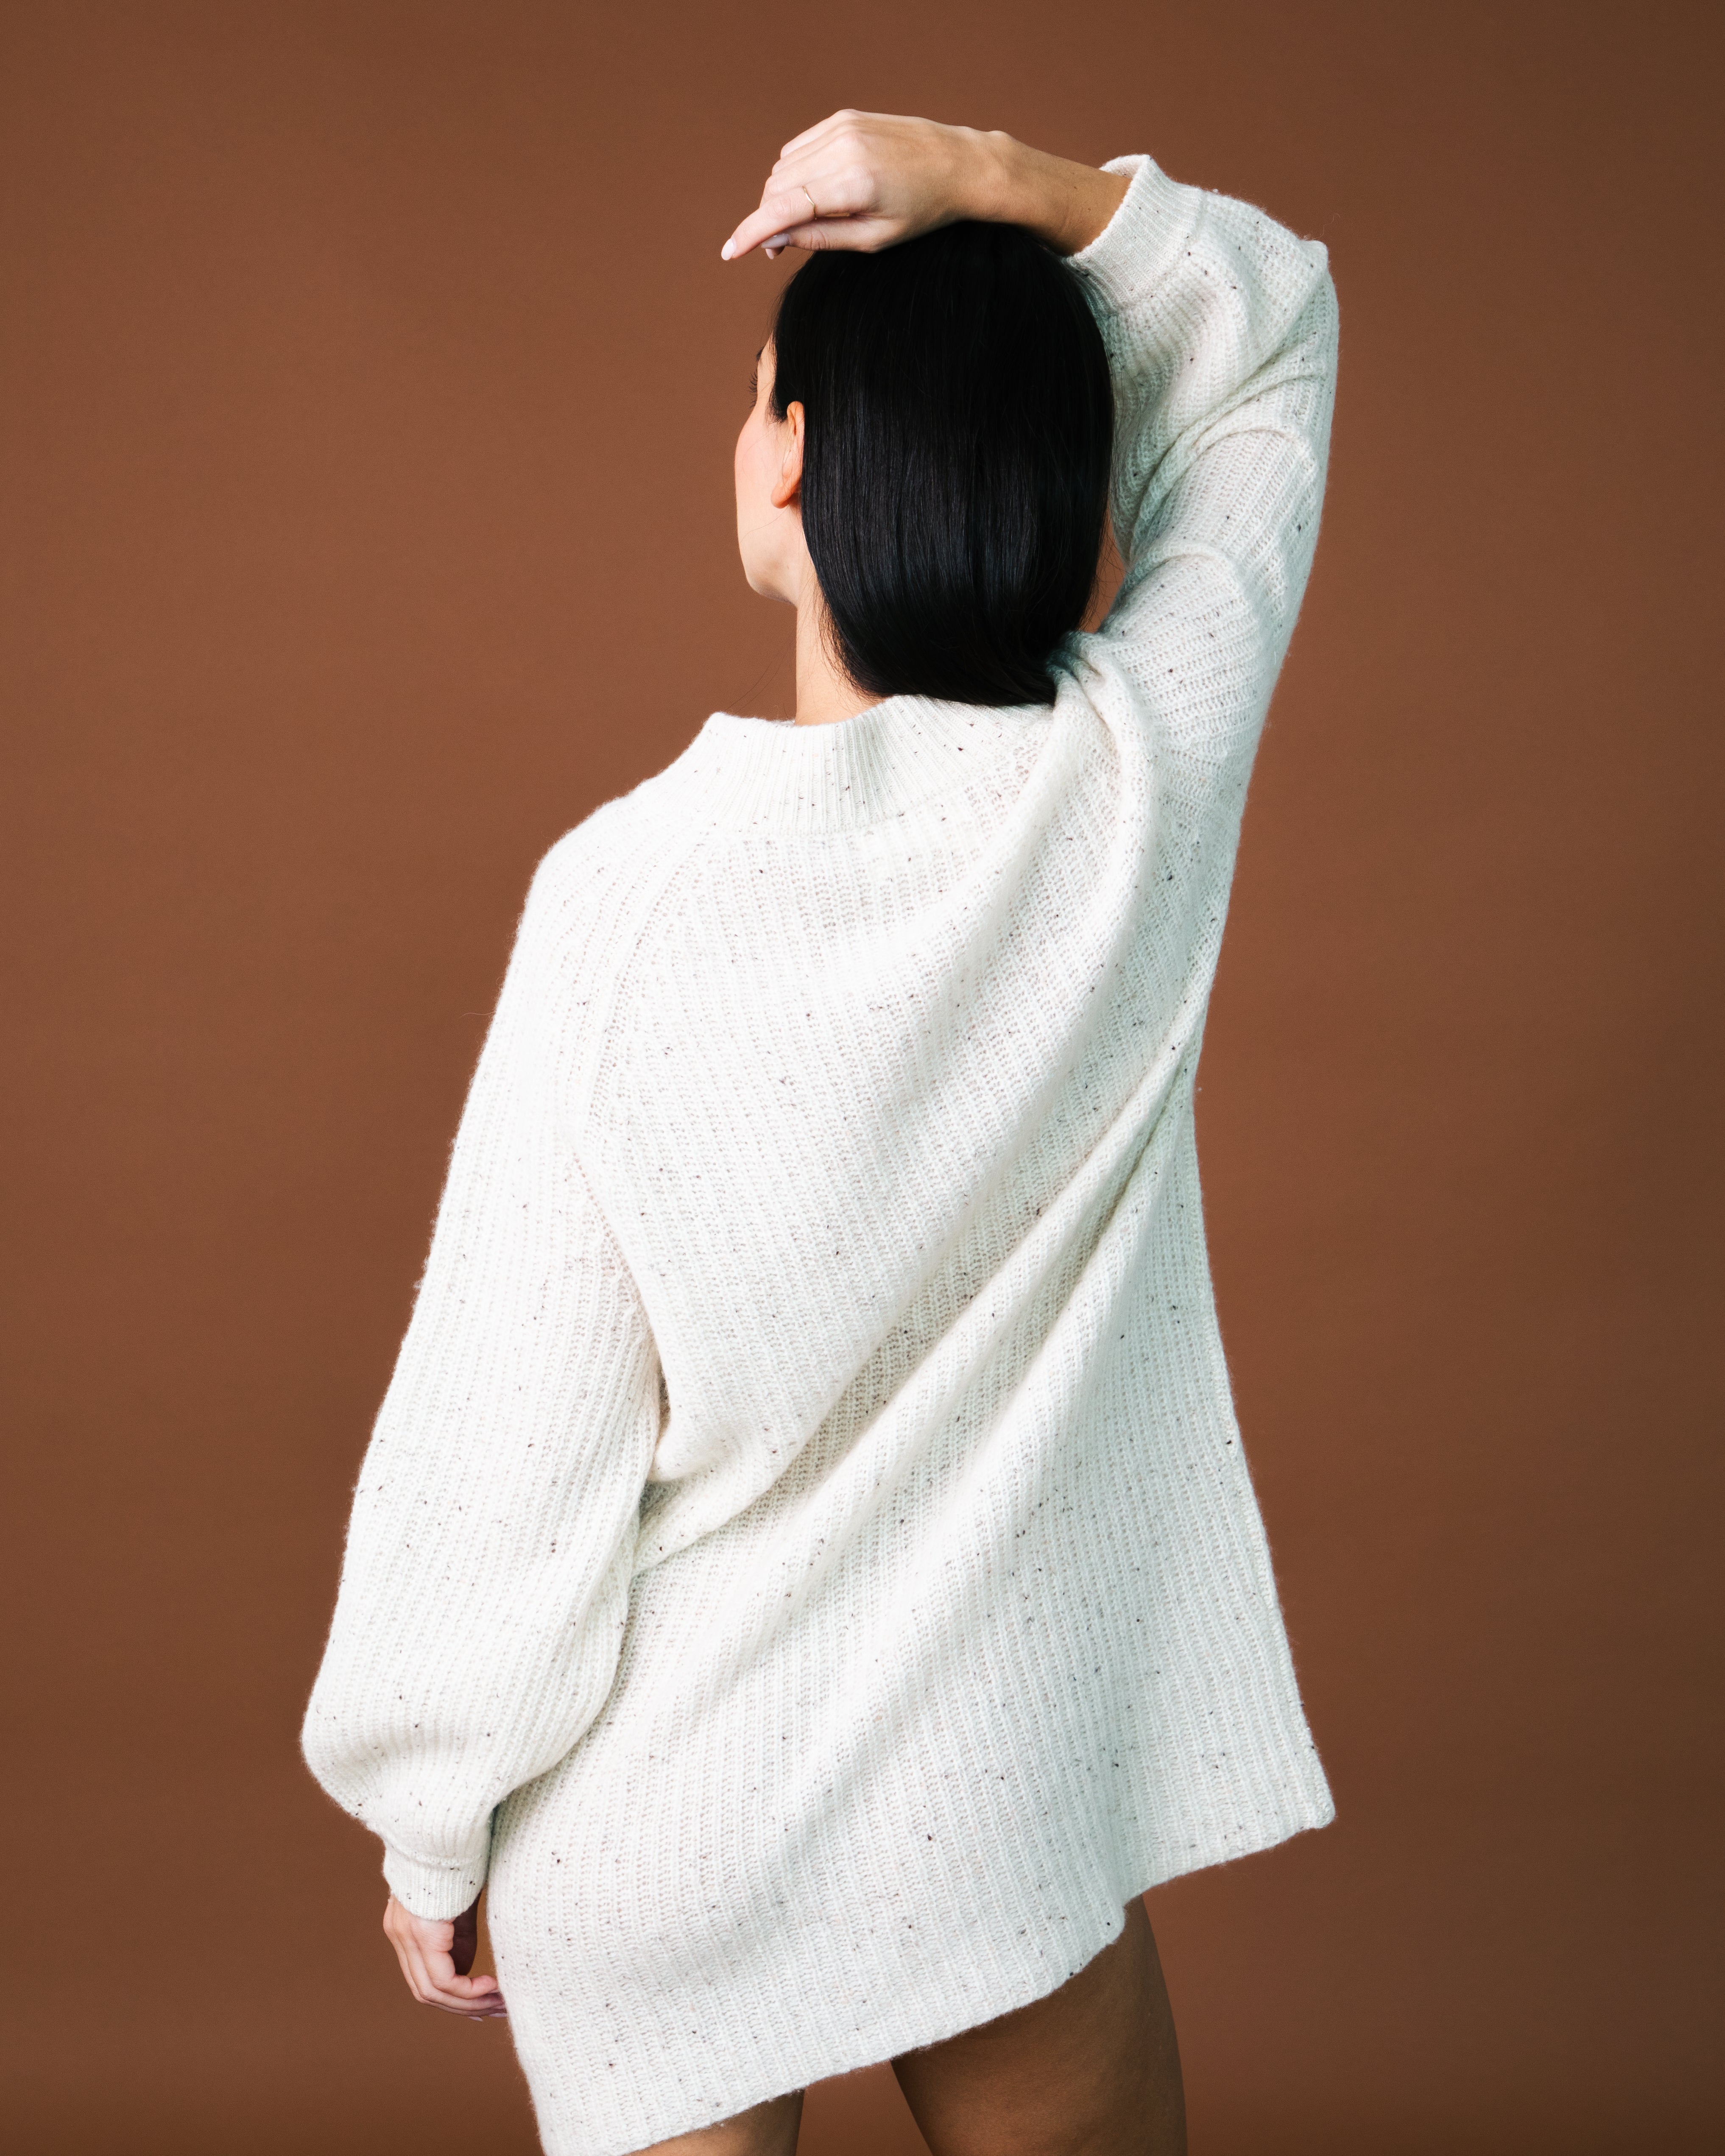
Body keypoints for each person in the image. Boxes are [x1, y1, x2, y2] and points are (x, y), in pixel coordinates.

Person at [302, 109, 1339, 2156]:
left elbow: (515, 1427)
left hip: (670, 1823)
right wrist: (995, 179)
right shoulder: (1135, 789)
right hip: (996, 1792)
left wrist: (433, 1824)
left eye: (754, 399)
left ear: (789, 460)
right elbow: (1275, 332)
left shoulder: (625, 901)